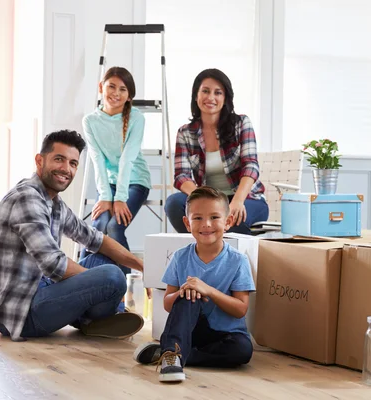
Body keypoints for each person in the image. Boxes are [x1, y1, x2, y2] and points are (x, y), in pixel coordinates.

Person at [0, 130, 145, 342]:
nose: (66, 169)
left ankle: (94, 318)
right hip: (22, 313)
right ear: (40, 161)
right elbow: (53, 264)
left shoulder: (54, 203)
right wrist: (98, 285)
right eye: (59, 159)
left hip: (44, 290)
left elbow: (96, 239)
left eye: (73, 163)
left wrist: (144, 268)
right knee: (112, 276)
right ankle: (99, 316)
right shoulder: (26, 198)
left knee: (107, 259)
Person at [133, 186, 255, 382]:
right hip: (190, 331)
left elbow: (241, 309)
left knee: (243, 352)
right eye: (197, 218)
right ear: (187, 224)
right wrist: (183, 292)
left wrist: (208, 290)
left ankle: (171, 353)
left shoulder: (238, 261)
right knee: (189, 295)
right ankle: (172, 357)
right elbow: (167, 303)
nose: (206, 224)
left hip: (226, 335)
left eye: (214, 217)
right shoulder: (180, 257)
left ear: (228, 222)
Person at [164, 68, 269, 235]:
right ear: (196, 95)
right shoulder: (185, 133)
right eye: (205, 91)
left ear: (225, 98)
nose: (211, 97)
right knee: (174, 203)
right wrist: (205, 199)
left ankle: (229, 259)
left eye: (218, 93)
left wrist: (237, 201)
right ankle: (198, 253)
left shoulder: (241, 123)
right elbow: (181, 176)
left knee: (232, 220)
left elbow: (251, 165)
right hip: (210, 201)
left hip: (246, 199)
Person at [80, 67, 151, 284]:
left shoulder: (137, 119)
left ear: (129, 96)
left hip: (135, 181)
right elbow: (97, 160)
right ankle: (82, 280)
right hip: (109, 186)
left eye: (123, 89)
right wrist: (105, 196)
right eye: (111, 86)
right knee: (98, 227)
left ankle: (128, 288)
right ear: (101, 87)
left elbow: (127, 159)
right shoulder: (90, 121)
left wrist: (119, 198)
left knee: (114, 226)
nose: (116, 93)